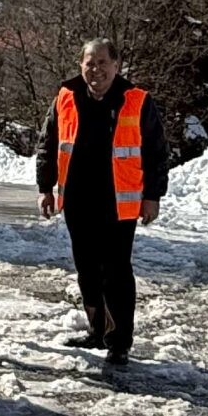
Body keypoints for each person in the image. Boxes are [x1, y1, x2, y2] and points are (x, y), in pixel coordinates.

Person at [37, 37, 167, 366]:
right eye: (89, 63)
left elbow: (156, 151)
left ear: (116, 66)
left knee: (116, 271)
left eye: (102, 63)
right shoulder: (66, 96)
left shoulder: (137, 100)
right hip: (78, 199)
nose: (96, 70)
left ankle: (119, 340)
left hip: (118, 203)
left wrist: (152, 196)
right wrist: (45, 187)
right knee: (86, 269)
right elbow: (48, 143)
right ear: (81, 66)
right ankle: (97, 329)